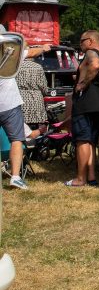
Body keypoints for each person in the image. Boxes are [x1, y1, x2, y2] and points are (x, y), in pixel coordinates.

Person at [0, 23, 50, 189]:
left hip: (9, 102)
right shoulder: (10, 53)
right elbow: (32, 52)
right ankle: (15, 176)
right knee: (16, 139)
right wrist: (43, 48)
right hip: (9, 103)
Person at [66, 30, 99, 188]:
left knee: (82, 140)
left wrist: (82, 83)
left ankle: (80, 179)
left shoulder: (91, 53)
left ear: (91, 41)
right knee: (91, 141)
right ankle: (92, 177)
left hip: (85, 103)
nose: (80, 44)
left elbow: (94, 65)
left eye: (82, 41)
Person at [16, 55, 50, 128]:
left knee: (21, 127)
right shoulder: (38, 67)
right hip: (36, 100)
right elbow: (43, 86)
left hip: (20, 99)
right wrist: (44, 93)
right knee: (36, 127)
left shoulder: (16, 67)